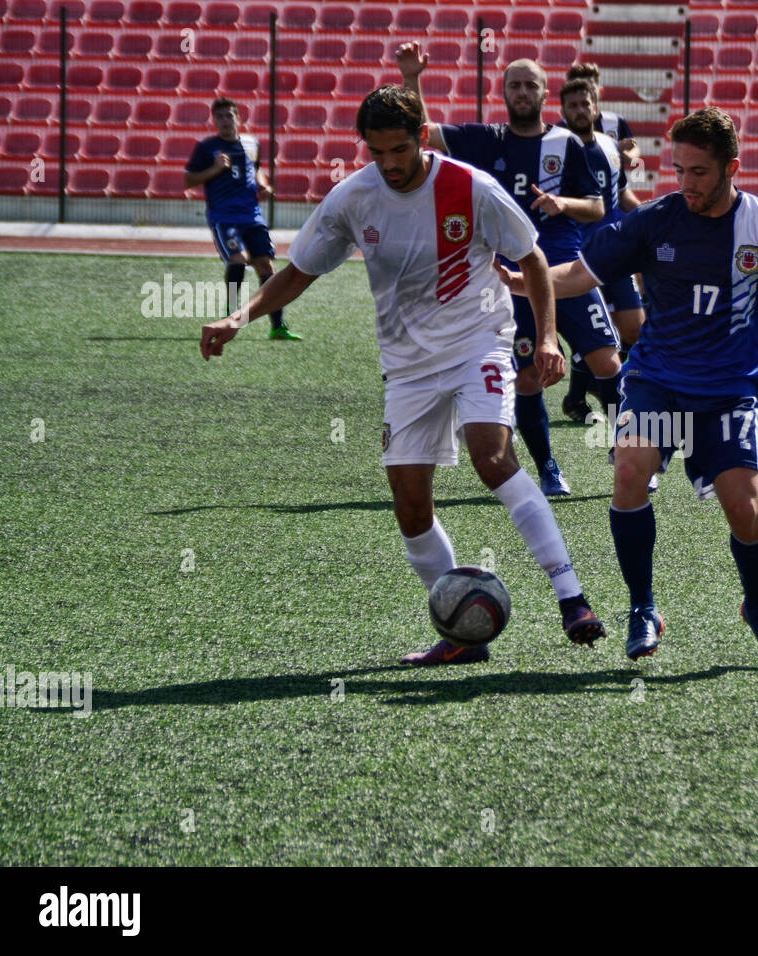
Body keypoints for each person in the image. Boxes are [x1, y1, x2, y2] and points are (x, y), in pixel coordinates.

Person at [198, 85, 607, 666]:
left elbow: (533, 258)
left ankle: (573, 598)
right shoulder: (352, 199)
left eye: (398, 150)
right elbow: (298, 272)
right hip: (408, 367)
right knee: (411, 506)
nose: (388, 164)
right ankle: (465, 635)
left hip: (477, 344)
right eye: (376, 152)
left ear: (421, 137)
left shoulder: (472, 187)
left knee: (492, 457)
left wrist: (544, 337)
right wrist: (242, 314)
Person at [499, 107, 758, 668]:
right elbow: (581, 274)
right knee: (629, 472)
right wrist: (521, 280)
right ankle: (643, 607)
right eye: (678, 169)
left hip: (728, 392)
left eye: (699, 172)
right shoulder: (652, 221)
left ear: (732, 167)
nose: (686, 183)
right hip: (657, 380)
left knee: (744, 510)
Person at [396, 43, 624, 498]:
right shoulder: (486, 139)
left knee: (608, 363)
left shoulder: (569, 144)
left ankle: (630, 449)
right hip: (508, 277)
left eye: (531, 85)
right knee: (527, 377)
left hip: (564, 271)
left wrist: (564, 203)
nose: (522, 92)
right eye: (514, 85)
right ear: (503, 92)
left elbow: (598, 207)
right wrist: (411, 78)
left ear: (545, 94)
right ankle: (548, 467)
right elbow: (424, 132)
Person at [556, 77, 645, 427]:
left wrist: (648, 220)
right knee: (595, 335)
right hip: (576, 257)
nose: (580, 110)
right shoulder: (555, 148)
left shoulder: (609, 147)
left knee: (633, 332)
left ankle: (593, 394)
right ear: (563, 110)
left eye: (585, 104)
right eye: (573, 105)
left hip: (614, 251)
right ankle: (588, 401)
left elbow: (621, 196)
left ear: (597, 107)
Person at [184, 97, 301, 341]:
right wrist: (215, 170)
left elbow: (255, 168)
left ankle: (278, 326)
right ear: (214, 120)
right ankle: (230, 317)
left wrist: (263, 184)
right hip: (224, 218)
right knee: (238, 261)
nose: (226, 120)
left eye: (230, 115)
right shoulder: (207, 148)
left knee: (266, 266)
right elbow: (188, 181)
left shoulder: (251, 143)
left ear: (239, 118)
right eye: (220, 117)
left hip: (252, 216)